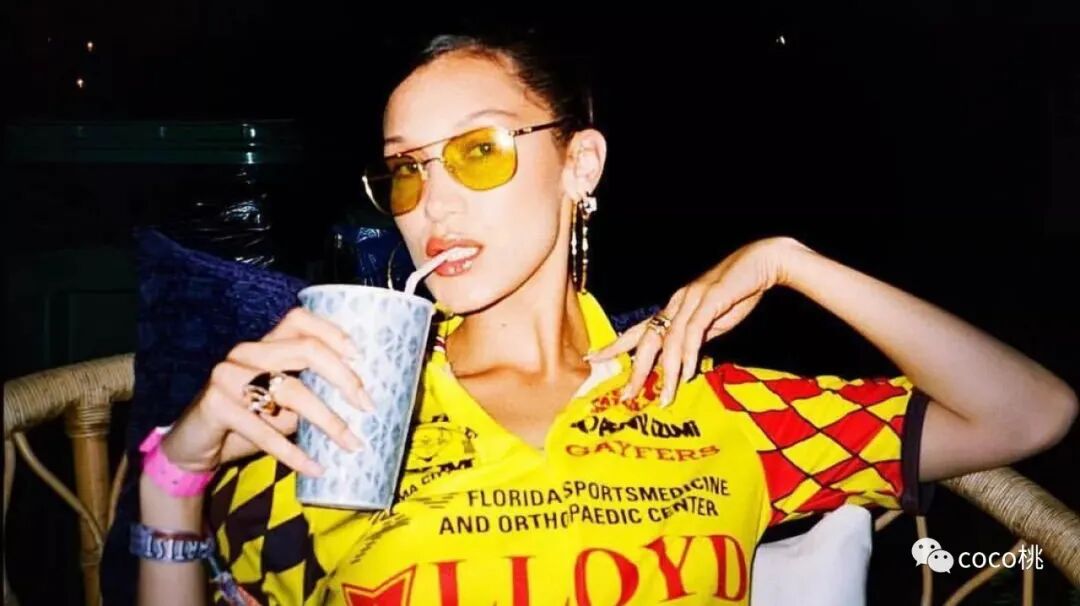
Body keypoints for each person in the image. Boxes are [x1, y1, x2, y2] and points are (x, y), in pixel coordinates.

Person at [133, 31, 1078, 605]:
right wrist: (176, 480)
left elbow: (1029, 413)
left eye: (477, 151)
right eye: (408, 169)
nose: (433, 203)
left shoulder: (705, 400)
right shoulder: (341, 418)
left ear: (579, 166)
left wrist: (792, 262)